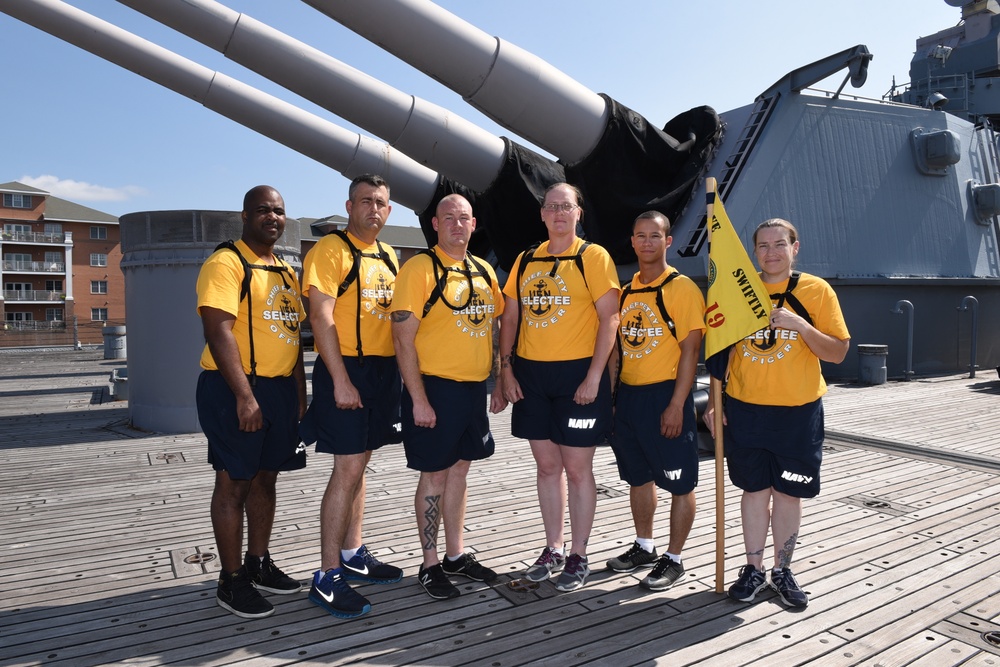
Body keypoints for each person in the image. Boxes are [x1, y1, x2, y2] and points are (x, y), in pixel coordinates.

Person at [705, 218, 850, 608]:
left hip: (796, 413)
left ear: (795, 247)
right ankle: (753, 569)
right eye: (763, 246)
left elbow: (836, 352)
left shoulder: (815, 291)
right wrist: (715, 404)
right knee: (754, 491)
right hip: (746, 410)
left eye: (779, 244)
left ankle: (782, 570)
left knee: (788, 493)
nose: (771, 252)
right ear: (754, 252)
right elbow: (721, 349)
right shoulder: (738, 289)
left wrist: (800, 324)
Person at [498, 182, 620, 592]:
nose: (559, 213)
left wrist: (593, 376)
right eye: (552, 207)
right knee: (547, 468)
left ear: (578, 213)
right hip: (532, 376)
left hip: (578, 375)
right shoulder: (525, 259)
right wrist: (506, 369)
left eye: (567, 206)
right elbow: (510, 319)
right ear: (543, 214)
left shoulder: (593, 256)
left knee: (578, 470)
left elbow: (611, 319)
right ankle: (552, 548)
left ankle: (579, 554)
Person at [195, 185, 306, 619]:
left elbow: (293, 337)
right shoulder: (225, 263)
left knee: (266, 479)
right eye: (263, 210)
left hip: (278, 391)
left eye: (279, 211)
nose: (272, 217)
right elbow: (218, 331)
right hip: (234, 389)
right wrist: (245, 396)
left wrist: (298, 395)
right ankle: (232, 579)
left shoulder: (284, 271)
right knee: (234, 482)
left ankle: (259, 563)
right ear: (244, 216)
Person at [390, 194, 507, 600]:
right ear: (435, 225)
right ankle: (430, 562)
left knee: (460, 471)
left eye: (464, 218)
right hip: (434, 388)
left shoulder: (483, 270)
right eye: (449, 218)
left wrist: (496, 376)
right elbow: (402, 340)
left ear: (474, 224)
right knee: (435, 474)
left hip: (473, 390)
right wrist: (418, 399)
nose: (457, 225)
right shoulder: (420, 268)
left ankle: (456, 555)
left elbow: (493, 323)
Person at [301, 174, 403, 619]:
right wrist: (341, 379)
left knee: (361, 462)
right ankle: (326, 577)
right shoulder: (330, 251)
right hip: (346, 367)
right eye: (365, 201)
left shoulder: (389, 254)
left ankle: (352, 552)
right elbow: (320, 316)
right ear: (349, 206)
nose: (373, 209)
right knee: (346, 468)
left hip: (383, 372)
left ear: (389, 210)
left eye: (380, 202)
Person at [606, 211, 705, 591]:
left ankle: (674, 558)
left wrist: (677, 404)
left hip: (666, 395)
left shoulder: (681, 289)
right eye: (640, 235)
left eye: (655, 236)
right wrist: (613, 401)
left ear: (668, 242)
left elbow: (690, 351)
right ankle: (645, 546)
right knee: (638, 477)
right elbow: (617, 352)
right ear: (632, 241)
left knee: (680, 483)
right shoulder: (626, 291)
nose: (647, 242)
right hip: (629, 398)